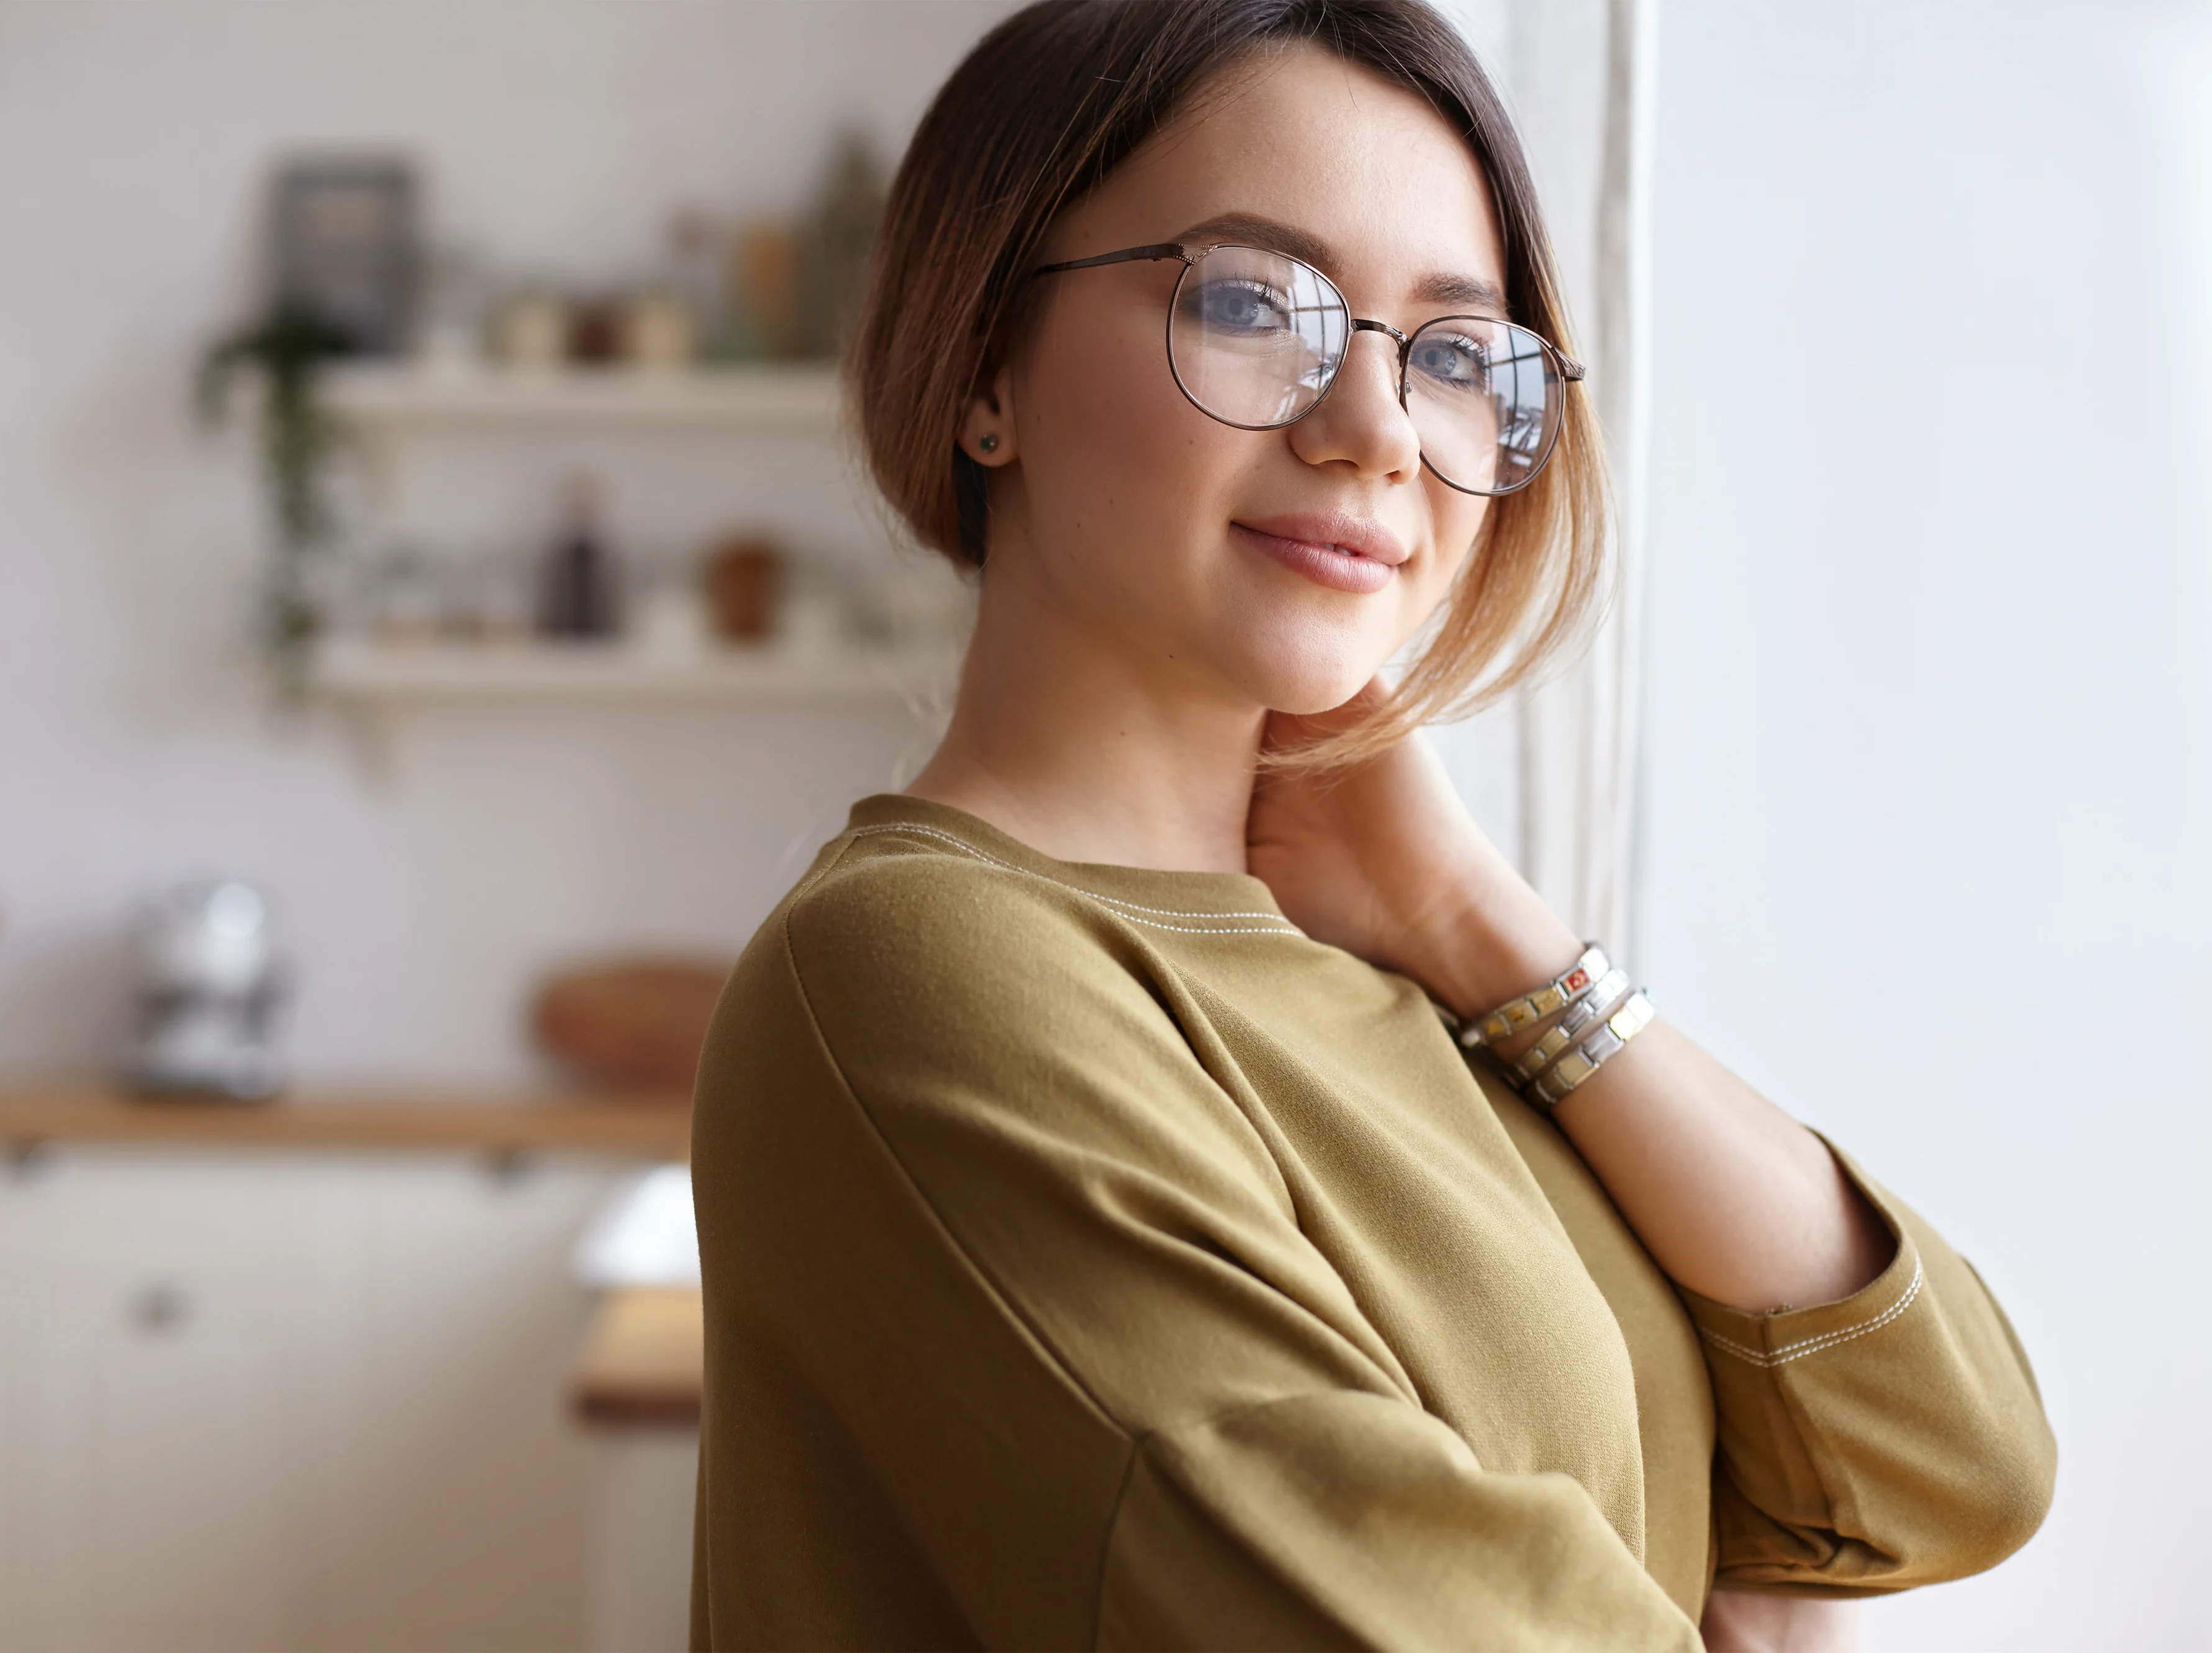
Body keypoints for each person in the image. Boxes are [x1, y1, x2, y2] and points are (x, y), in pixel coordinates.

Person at [688, 1, 2055, 1646]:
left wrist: (1480, 919)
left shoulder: (1418, 968)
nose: (1378, 432)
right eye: (1259, 304)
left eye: (1458, 355)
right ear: (987, 365)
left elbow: (1953, 1466)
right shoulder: (915, 972)